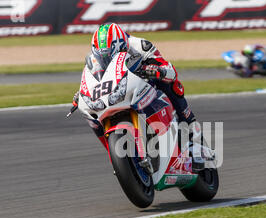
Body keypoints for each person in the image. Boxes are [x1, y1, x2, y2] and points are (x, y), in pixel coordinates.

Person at [73, 23, 204, 170]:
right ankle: (120, 158)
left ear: (122, 44)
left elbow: (170, 69)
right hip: (118, 92)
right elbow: (90, 81)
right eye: (103, 55)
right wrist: (81, 94)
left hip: (145, 84)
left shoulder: (140, 45)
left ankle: (194, 140)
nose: (106, 58)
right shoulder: (93, 60)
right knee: (92, 116)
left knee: (172, 85)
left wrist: (158, 70)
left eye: (111, 53)